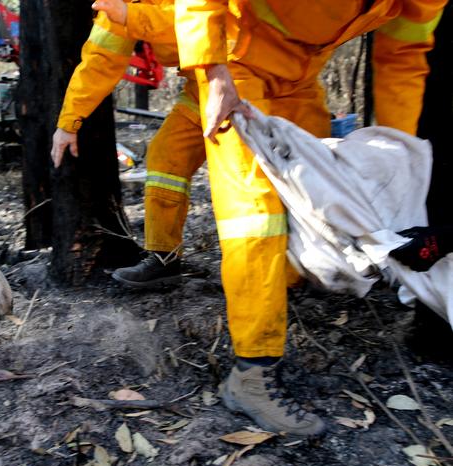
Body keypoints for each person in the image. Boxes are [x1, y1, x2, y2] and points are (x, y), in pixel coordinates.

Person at [173, 0, 447, 436]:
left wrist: (399, 154)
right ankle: (252, 373)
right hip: (237, 66)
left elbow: (403, 55)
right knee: (254, 218)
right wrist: (213, 71)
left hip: (300, 77)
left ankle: (275, 298)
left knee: (313, 203)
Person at [51, 0, 207, 288]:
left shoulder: (131, 9)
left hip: (253, 84)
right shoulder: (121, 4)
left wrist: (134, 16)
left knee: (245, 185)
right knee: (166, 156)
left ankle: (284, 268)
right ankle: (164, 257)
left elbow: (202, 21)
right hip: (204, 91)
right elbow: (100, 60)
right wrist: (68, 122)